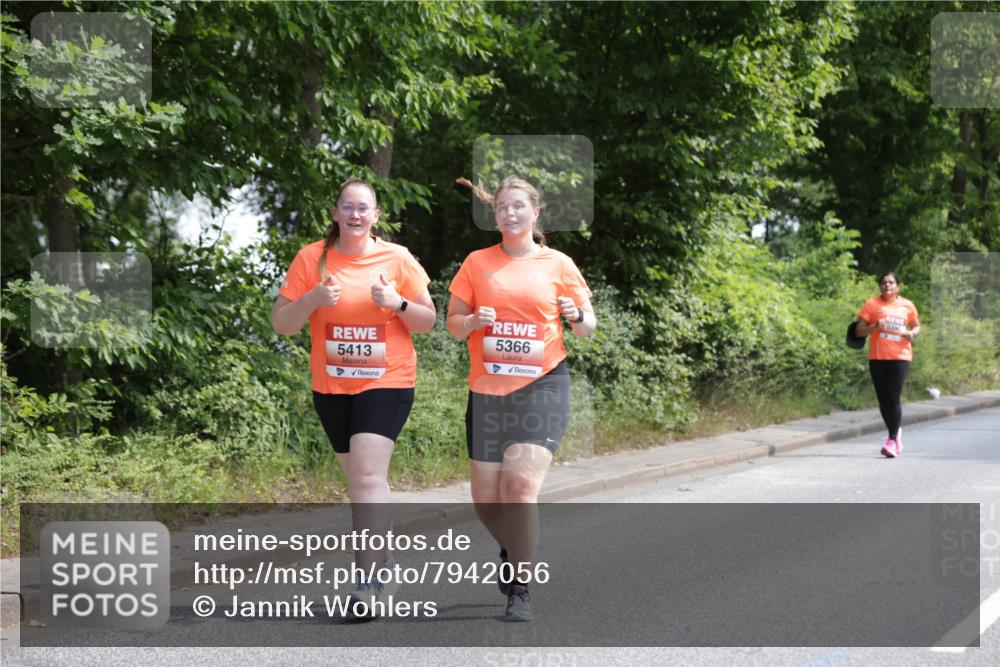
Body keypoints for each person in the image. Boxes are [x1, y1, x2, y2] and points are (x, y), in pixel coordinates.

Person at [270, 178, 435, 614]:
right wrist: (313, 298)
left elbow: (428, 320)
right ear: (336, 213)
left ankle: (367, 583)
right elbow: (282, 323)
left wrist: (397, 302)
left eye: (364, 208)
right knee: (362, 482)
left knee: (365, 478)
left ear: (376, 216)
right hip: (332, 386)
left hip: (387, 381)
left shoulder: (396, 258)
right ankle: (387, 562)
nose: (356, 215)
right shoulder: (313, 258)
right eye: (349, 207)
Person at [447, 176, 596, 621]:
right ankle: (514, 550)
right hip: (488, 391)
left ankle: (521, 588)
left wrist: (577, 314)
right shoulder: (477, 263)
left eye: (518, 207)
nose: (509, 214)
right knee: (486, 502)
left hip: (543, 385)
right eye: (502, 208)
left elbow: (588, 325)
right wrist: (473, 319)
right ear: (495, 215)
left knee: (520, 488)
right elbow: (453, 324)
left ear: (535, 213)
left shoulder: (558, 263)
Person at [854, 271, 920, 458]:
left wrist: (912, 333)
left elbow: (916, 326)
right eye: (884, 283)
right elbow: (859, 332)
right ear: (880, 286)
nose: (887, 285)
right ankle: (896, 430)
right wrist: (875, 327)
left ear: (897, 286)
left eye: (891, 283)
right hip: (877, 356)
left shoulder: (907, 305)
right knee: (883, 399)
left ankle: (891, 439)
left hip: (900, 356)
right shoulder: (872, 304)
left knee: (893, 396)